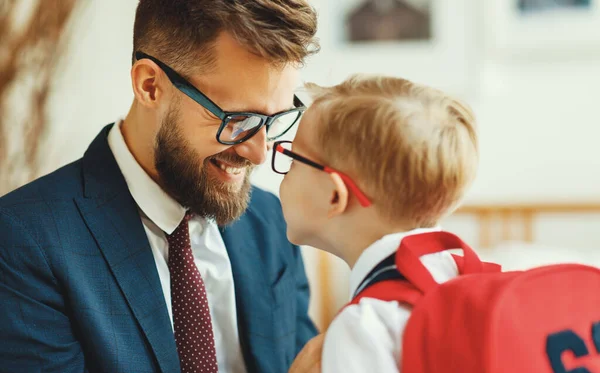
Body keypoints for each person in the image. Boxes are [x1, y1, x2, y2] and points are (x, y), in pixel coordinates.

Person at [0, 0, 321, 372]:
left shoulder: (274, 222)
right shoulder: (24, 241)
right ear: (150, 86)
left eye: (276, 119)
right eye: (238, 119)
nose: (258, 153)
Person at [272, 75, 479, 372]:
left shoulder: (363, 327)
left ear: (334, 195)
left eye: (292, 160)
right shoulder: (464, 280)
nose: (283, 174)